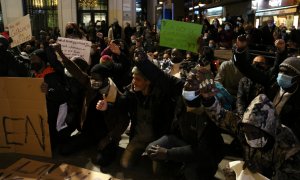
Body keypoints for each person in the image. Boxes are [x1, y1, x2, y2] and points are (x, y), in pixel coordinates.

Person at [198, 69, 300, 179]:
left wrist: (266, 173)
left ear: (269, 129)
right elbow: (221, 116)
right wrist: (208, 99)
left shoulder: (287, 144)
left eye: (254, 133)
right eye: (246, 131)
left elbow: (292, 175)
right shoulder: (244, 126)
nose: (249, 137)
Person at [52, 43, 129, 166]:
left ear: (105, 79)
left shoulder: (117, 95)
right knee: (64, 150)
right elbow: (75, 70)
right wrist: (61, 53)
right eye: (91, 78)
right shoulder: (90, 83)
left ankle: (108, 146)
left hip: (107, 132)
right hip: (90, 131)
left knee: (102, 162)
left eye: (97, 79)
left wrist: (109, 137)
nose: (93, 82)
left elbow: (124, 121)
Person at [145, 66, 224, 179]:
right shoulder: (182, 91)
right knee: (152, 149)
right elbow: (161, 77)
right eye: (188, 80)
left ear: (205, 87)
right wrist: (143, 62)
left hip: (205, 154)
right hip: (184, 141)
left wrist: (168, 153)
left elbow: (202, 151)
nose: (187, 84)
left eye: (194, 82)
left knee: (192, 171)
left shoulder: (212, 110)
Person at [120, 50, 184, 169]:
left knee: (159, 172)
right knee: (125, 164)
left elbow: (166, 80)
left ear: (148, 81)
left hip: (157, 140)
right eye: (133, 78)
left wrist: (144, 63)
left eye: (137, 79)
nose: (133, 82)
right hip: (139, 138)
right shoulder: (131, 92)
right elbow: (120, 102)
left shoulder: (163, 96)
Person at [233, 36, 300, 140]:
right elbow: (246, 68)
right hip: (261, 133)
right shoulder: (272, 82)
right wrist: (241, 49)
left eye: (286, 73)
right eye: (280, 71)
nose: (281, 75)